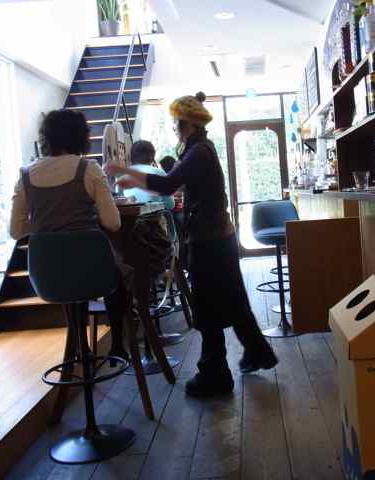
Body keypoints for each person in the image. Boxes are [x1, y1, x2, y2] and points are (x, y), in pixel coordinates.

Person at [105, 91, 278, 397]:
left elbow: (166, 184)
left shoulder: (198, 152)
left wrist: (125, 172)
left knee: (207, 309)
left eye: (176, 123)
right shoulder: (201, 149)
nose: (174, 128)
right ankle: (257, 352)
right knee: (234, 300)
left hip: (209, 240)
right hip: (218, 237)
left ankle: (215, 374)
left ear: (187, 123)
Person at [9, 109, 129, 361]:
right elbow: (113, 223)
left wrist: (46, 223)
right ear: (81, 137)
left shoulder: (25, 175)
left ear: (46, 138)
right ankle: (118, 344)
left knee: (66, 269)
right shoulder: (89, 169)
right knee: (114, 271)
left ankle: (80, 348)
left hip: (47, 278)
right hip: (93, 272)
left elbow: (16, 231)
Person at [124, 140, 174, 210]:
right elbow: (170, 205)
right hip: (154, 215)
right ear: (152, 157)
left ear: (131, 156)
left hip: (126, 214)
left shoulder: (124, 173)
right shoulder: (159, 172)